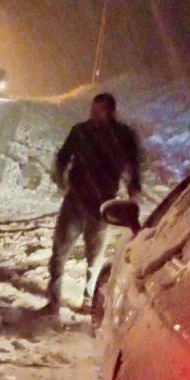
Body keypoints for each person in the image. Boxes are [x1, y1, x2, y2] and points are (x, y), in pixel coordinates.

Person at [41, 93, 141, 315]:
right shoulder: (80, 132)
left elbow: (133, 164)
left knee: (94, 258)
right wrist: (60, 177)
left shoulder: (123, 136)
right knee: (59, 251)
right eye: (93, 111)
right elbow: (63, 157)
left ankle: (89, 300)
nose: (95, 116)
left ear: (111, 112)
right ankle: (53, 301)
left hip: (102, 205)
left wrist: (134, 188)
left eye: (101, 111)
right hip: (75, 200)